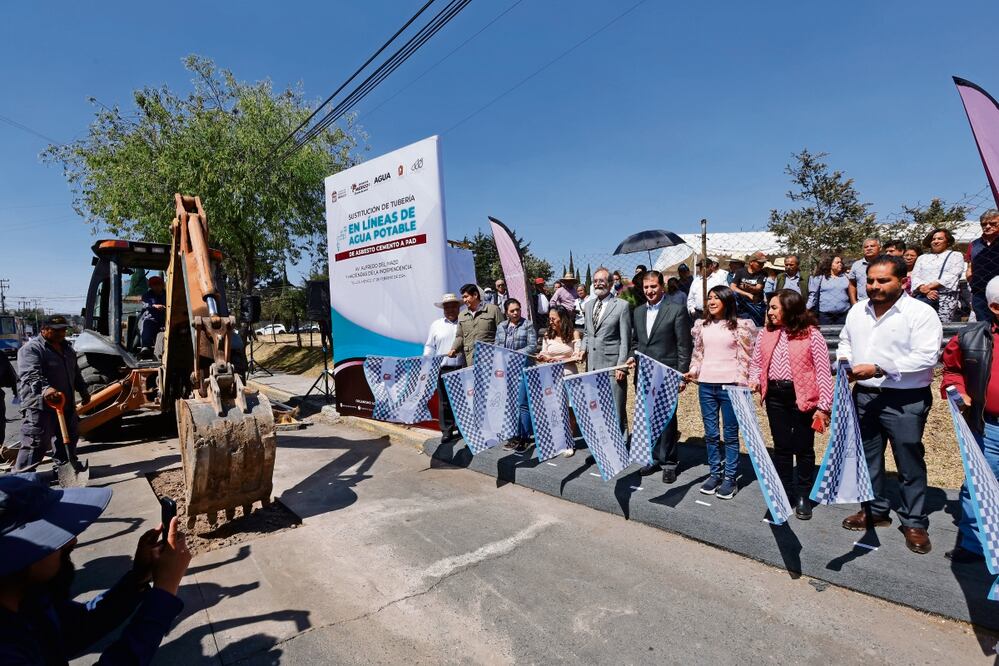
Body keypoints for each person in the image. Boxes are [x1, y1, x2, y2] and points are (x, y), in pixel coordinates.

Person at [0, 473, 191, 664]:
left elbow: (79, 626)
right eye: (51, 536)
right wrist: (164, 592)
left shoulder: (29, 599)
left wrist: (138, 578)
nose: (72, 541)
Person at [837, 255, 942, 554]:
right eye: (870, 280)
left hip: (904, 399)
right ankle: (874, 511)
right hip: (865, 396)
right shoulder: (857, 311)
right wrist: (845, 362)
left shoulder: (921, 313)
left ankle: (914, 521)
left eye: (883, 280)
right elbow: (845, 341)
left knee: (908, 458)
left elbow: (926, 356)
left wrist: (880, 368)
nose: (874, 286)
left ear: (903, 281)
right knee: (868, 457)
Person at [750, 289, 833, 519]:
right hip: (776, 396)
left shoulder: (811, 334)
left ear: (790, 308)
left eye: (775, 307)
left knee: (804, 447)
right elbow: (757, 363)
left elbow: (823, 372)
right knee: (782, 446)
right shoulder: (766, 334)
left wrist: (824, 405)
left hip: (803, 397)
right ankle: (783, 492)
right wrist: (755, 379)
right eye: (770, 307)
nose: (770, 312)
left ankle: (803, 495)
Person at [940, 274, 999, 563]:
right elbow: (951, 372)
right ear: (996, 307)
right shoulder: (969, 336)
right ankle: (974, 544)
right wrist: (958, 392)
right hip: (988, 427)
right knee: (978, 484)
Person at [685, 286, 756, 500]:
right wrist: (693, 371)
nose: (712, 301)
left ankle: (730, 478)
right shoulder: (701, 326)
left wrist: (744, 383)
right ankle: (715, 473)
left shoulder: (741, 326)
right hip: (706, 385)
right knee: (711, 433)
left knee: (731, 434)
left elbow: (746, 357)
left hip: (730, 386)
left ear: (727, 301)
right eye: (709, 298)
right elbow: (698, 354)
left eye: (717, 297)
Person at [627, 271, 693, 483]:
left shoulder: (676, 310)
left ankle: (669, 462)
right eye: (646, 287)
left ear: (662, 287)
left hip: (667, 372)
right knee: (647, 417)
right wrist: (631, 357)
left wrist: (682, 375)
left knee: (667, 418)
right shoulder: (637, 312)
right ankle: (653, 458)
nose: (649, 291)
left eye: (653, 286)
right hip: (644, 374)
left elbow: (684, 345)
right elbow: (636, 342)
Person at [15, 317, 91, 474]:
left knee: (68, 438)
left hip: (65, 404)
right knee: (36, 441)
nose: (61, 333)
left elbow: (75, 373)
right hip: (40, 406)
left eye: (63, 329)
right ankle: (22, 477)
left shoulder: (68, 349)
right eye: (56, 330)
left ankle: (64, 469)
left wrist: (83, 391)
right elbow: (30, 375)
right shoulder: (32, 349)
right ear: (44, 329)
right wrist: (47, 389)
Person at [583, 267, 632, 434]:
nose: (598, 283)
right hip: (592, 366)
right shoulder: (588, 306)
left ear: (610, 283)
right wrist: (583, 349)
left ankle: (620, 447)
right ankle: (601, 445)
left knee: (616, 408)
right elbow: (587, 333)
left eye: (601, 281)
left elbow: (626, 339)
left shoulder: (622, 306)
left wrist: (622, 366)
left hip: (612, 367)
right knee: (596, 408)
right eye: (595, 281)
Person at [537, 308, 584, 457]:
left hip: (568, 375)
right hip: (550, 376)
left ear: (562, 319)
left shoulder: (574, 334)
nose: (550, 321)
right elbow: (544, 352)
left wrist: (559, 360)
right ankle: (558, 439)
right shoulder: (547, 334)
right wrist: (541, 356)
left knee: (569, 409)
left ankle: (569, 441)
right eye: (549, 318)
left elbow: (578, 357)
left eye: (553, 318)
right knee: (555, 408)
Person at [496, 298, 538, 452]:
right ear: (506, 312)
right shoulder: (502, 326)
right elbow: (497, 346)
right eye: (512, 310)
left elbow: (532, 346)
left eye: (518, 309)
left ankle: (525, 437)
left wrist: (513, 355)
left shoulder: (527, 325)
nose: (516, 313)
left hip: (523, 370)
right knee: (511, 404)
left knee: (522, 403)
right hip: (507, 371)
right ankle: (514, 435)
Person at [424, 293, 463, 443]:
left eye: (453, 306)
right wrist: (427, 360)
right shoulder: (436, 325)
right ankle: (447, 431)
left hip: (461, 368)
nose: (450, 309)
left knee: (462, 400)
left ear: (458, 307)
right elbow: (429, 346)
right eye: (447, 306)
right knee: (445, 401)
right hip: (443, 368)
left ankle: (462, 428)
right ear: (443, 309)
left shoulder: (464, 322)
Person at [910, 228, 966, 323]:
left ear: (947, 241)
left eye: (940, 239)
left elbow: (952, 275)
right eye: (933, 239)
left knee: (941, 325)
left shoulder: (955, 255)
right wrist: (924, 289)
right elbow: (915, 275)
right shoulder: (922, 258)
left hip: (944, 297)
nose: (936, 241)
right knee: (921, 323)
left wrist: (929, 287)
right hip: (924, 296)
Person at [449, 284, 505, 367]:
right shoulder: (462, 315)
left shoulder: (493, 310)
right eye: (463, 297)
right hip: (470, 361)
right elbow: (459, 336)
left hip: (491, 360)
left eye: (466, 297)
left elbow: (503, 333)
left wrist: (497, 351)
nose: (464, 300)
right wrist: (454, 348)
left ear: (475, 295)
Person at [967, 209, 999, 322]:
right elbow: (970, 266)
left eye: (993, 223)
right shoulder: (974, 244)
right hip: (980, 292)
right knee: (984, 324)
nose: (988, 226)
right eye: (984, 224)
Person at [806, 254, 851, 325]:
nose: (840, 264)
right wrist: (806, 308)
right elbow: (813, 295)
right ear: (830, 264)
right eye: (837, 262)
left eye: (841, 262)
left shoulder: (847, 277)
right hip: (825, 316)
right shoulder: (820, 278)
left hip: (843, 314)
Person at [729, 252, 767, 326]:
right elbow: (732, 287)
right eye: (759, 263)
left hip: (756, 304)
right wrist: (747, 293)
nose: (762, 265)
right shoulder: (740, 272)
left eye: (763, 263)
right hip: (741, 305)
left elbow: (758, 288)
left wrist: (746, 287)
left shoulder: (763, 273)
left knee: (757, 326)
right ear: (751, 262)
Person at [848, 237, 882, 304]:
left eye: (872, 246)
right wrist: (854, 302)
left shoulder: (887, 263)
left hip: (883, 303)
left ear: (880, 248)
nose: (869, 248)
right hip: (862, 305)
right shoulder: (856, 265)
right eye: (866, 247)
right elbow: (852, 285)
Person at [139, 275, 166, 352]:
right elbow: (145, 303)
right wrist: (154, 306)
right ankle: (145, 346)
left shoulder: (168, 294)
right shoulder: (147, 295)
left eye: (158, 284)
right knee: (147, 323)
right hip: (152, 318)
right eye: (154, 285)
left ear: (162, 285)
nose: (157, 287)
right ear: (151, 286)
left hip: (165, 319)